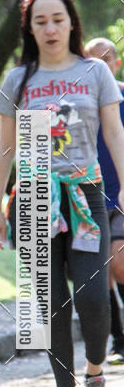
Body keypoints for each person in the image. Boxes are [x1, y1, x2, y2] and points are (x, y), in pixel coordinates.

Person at [0, 0, 124, 387]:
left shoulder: (93, 72)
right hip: (33, 199)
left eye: (58, 20)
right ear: (29, 27)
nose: (50, 28)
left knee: (92, 295)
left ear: (71, 24)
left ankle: (95, 373)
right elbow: (6, 150)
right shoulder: (17, 81)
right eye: (40, 21)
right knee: (50, 305)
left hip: (86, 194)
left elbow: (114, 134)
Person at [88, 38, 124, 361]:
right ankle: (118, 339)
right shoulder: (80, 102)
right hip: (91, 195)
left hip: (122, 194)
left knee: (120, 264)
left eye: (104, 59)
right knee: (104, 271)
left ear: (115, 63)